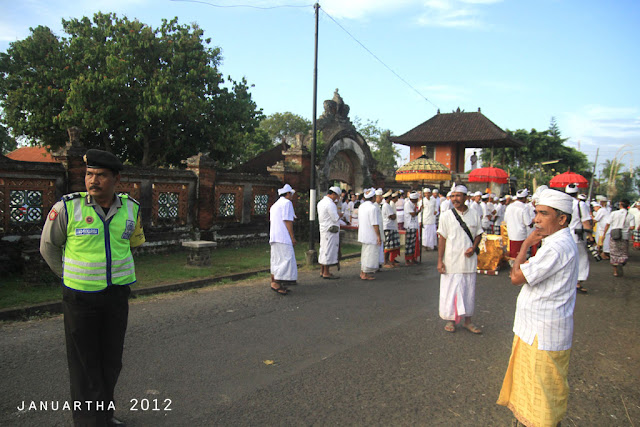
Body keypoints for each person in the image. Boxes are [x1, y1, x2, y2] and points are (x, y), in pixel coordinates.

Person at [40, 149, 145, 426]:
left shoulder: (131, 208)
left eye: (101, 175)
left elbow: (134, 242)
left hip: (116, 296)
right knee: (84, 363)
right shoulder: (68, 208)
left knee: (111, 360)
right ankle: (88, 422)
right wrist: (68, 277)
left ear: (116, 179)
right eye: (89, 174)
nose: (93, 180)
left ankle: (104, 416)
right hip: (80, 299)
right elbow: (48, 247)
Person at [497, 188, 578, 427]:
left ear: (562, 219)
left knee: (543, 397)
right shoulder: (556, 241)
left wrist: (525, 245)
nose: (536, 220)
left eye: (543, 214)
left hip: (542, 334)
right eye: (536, 213)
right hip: (535, 331)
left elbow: (515, 277)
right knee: (532, 389)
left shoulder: (556, 247)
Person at [436, 185, 483, 334]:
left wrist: (474, 247)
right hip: (451, 261)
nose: (455, 199)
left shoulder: (474, 214)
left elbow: (478, 234)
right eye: (453, 196)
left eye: (458, 196)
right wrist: (439, 260)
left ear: (465, 198)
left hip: (468, 262)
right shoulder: (446, 216)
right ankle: (451, 320)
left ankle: (468, 321)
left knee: (468, 290)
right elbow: (442, 239)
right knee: (451, 291)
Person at [269, 184, 297, 295]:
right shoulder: (287, 203)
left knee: (276, 260)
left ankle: (274, 281)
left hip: (275, 236)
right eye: (291, 194)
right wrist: (292, 237)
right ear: (288, 194)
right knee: (285, 260)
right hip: (283, 237)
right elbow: (287, 221)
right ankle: (277, 283)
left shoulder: (275, 205)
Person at [566, 184, 592, 293]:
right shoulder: (580, 204)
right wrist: (590, 236)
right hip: (577, 236)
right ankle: (577, 283)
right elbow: (586, 222)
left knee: (567, 259)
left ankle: (567, 283)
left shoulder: (564, 203)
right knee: (581, 258)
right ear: (577, 193)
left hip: (564, 236)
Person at [317, 186, 341, 279]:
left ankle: (322, 270)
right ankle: (326, 272)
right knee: (328, 250)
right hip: (330, 230)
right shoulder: (330, 204)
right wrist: (340, 214)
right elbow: (335, 218)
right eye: (337, 196)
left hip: (323, 228)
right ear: (333, 194)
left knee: (323, 249)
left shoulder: (321, 202)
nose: (337, 199)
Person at [608, 199, 635, 277]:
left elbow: (608, 224)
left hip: (614, 235)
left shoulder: (613, 213)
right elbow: (632, 227)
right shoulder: (630, 215)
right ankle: (621, 262)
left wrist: (603, 235)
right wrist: (626, 229)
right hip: (624, 236)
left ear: (620, 205)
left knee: (613, 252)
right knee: (623, 253)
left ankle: (615, 271)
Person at [358, 188, 381, 280]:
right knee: (369, 254)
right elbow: (374, 223)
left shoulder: (362, 206)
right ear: (373, 197)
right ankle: (365, 273)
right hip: (370, 234)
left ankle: (363, 272)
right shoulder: (372, 208)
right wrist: (378, 236)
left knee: (365, 253)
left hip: (363, 233)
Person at [504, 189, 534, 258]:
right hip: (520, 235)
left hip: (511, 234)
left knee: (513, 254)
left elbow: (505, 220)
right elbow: (528, 223)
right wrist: (534, 220)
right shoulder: (524, 207)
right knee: (519, 256)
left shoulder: (509, 206)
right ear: (524, 198)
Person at [382, 190, 400, 268]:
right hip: (388, 227)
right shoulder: (386, 205)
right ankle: (385, 261)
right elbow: (392, 216)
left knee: (390, 245)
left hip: (390, 226)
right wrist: (394, 215)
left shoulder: (387, 205)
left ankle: (388, 260)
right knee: (388, 245)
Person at [404, 191, 421, 266]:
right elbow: (413, 214)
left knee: (413, 244)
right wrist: (419, 210)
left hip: (414, 225)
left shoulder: (412, 204)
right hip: (409, 225)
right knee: (409, 244)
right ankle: (407, 260)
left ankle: (413, 258)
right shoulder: (408, 204)